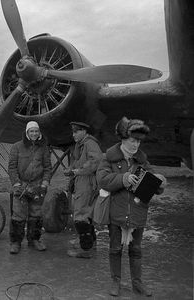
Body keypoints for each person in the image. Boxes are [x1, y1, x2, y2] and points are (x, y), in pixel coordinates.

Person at [96, 117, 167, 297]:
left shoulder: (142, 160)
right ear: (123, 140)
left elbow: (152, 181)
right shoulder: (108, 158)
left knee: (136, 250)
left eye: (138, 141)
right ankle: (115, 282)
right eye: (132, 141)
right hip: (116, 213)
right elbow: (102, 180)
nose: (136, 145)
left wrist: (160, 182)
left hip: (137, 213)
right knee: (115, 249)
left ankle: (137, 283)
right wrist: (123, 178)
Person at [8, 121, 52, 254]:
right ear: (27, 132)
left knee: (36, 214)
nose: (34, 134)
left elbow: (47, 167)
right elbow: (12, 167)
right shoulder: (16, 147)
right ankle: (16, 242)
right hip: (21, 185)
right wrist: (16, 183)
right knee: (18, 215)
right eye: (31, 131)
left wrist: (45, 183)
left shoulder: (43, 148)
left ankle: (34, 240)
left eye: (36, 131)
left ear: (39, 133)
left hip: (37, 185)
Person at [64, 121, 103, 258]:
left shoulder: (89, 144)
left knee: (81, 215)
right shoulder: (80, 145)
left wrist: (78, 171)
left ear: (84, 132)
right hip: (83, 180)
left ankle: (85, 249)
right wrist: (70, 169)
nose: (73, 134)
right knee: (87, 213)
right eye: (73, 132)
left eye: (76, 131)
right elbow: (77, 160)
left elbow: (96, 161)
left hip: (87, 182)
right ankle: (90, 244)